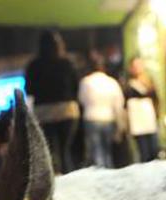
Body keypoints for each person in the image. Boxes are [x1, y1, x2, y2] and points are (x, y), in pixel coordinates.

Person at [24, 31, 80, 173]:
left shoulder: (33, 66)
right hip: (67, 110)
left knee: (51, 151)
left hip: (44, 112)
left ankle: (55, 180)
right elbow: (76, 86)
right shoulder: (67, 63)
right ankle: (71, 179)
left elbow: (29, 90)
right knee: (65, 150)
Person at [78, 54, 125, 168]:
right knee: (107, 151)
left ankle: (100, 173)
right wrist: (120, 124)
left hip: (91, 117)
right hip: (108, 118)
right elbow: (119, 103)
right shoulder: (112, 82)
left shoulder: (86, 81)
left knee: (96, 151)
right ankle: (109, 172)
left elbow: (81, 99)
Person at [124, 57, 160, 162]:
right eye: (134, 66)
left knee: (154, 149)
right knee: (143, 150)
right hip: (137, 121)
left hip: (150, 119)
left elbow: (156, 99)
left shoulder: (150, 81)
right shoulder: (128, 83)